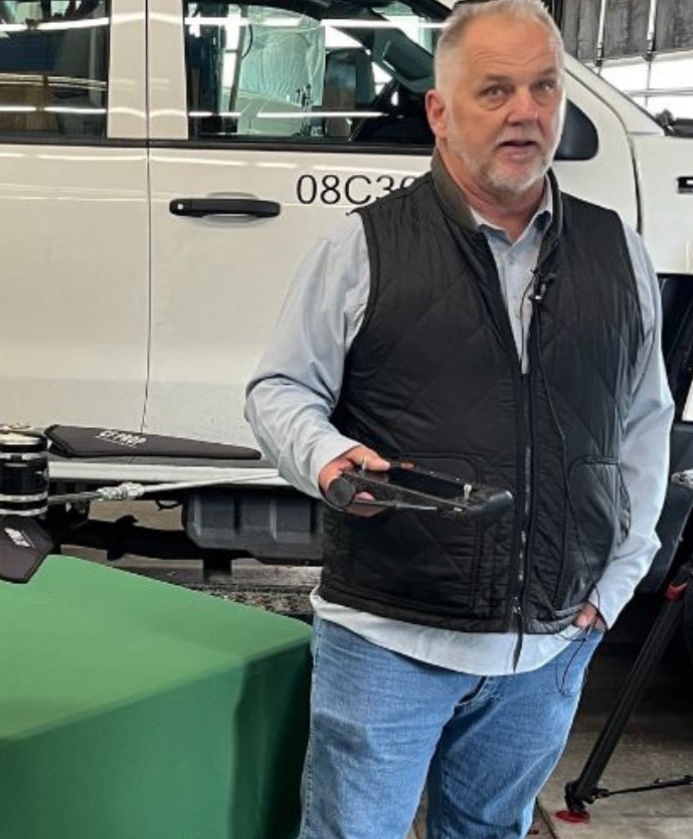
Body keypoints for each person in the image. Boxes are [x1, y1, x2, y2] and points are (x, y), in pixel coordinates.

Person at [241, 1, 675, 837]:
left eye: (544, 88)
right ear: (440, 112)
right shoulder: (363, 248)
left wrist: (616, 584)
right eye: (495, 90)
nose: (526, 112)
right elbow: (279, 390)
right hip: (389, 641)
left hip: (548, 647)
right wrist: (330, 461)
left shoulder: (618, 251)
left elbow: (644, 424)